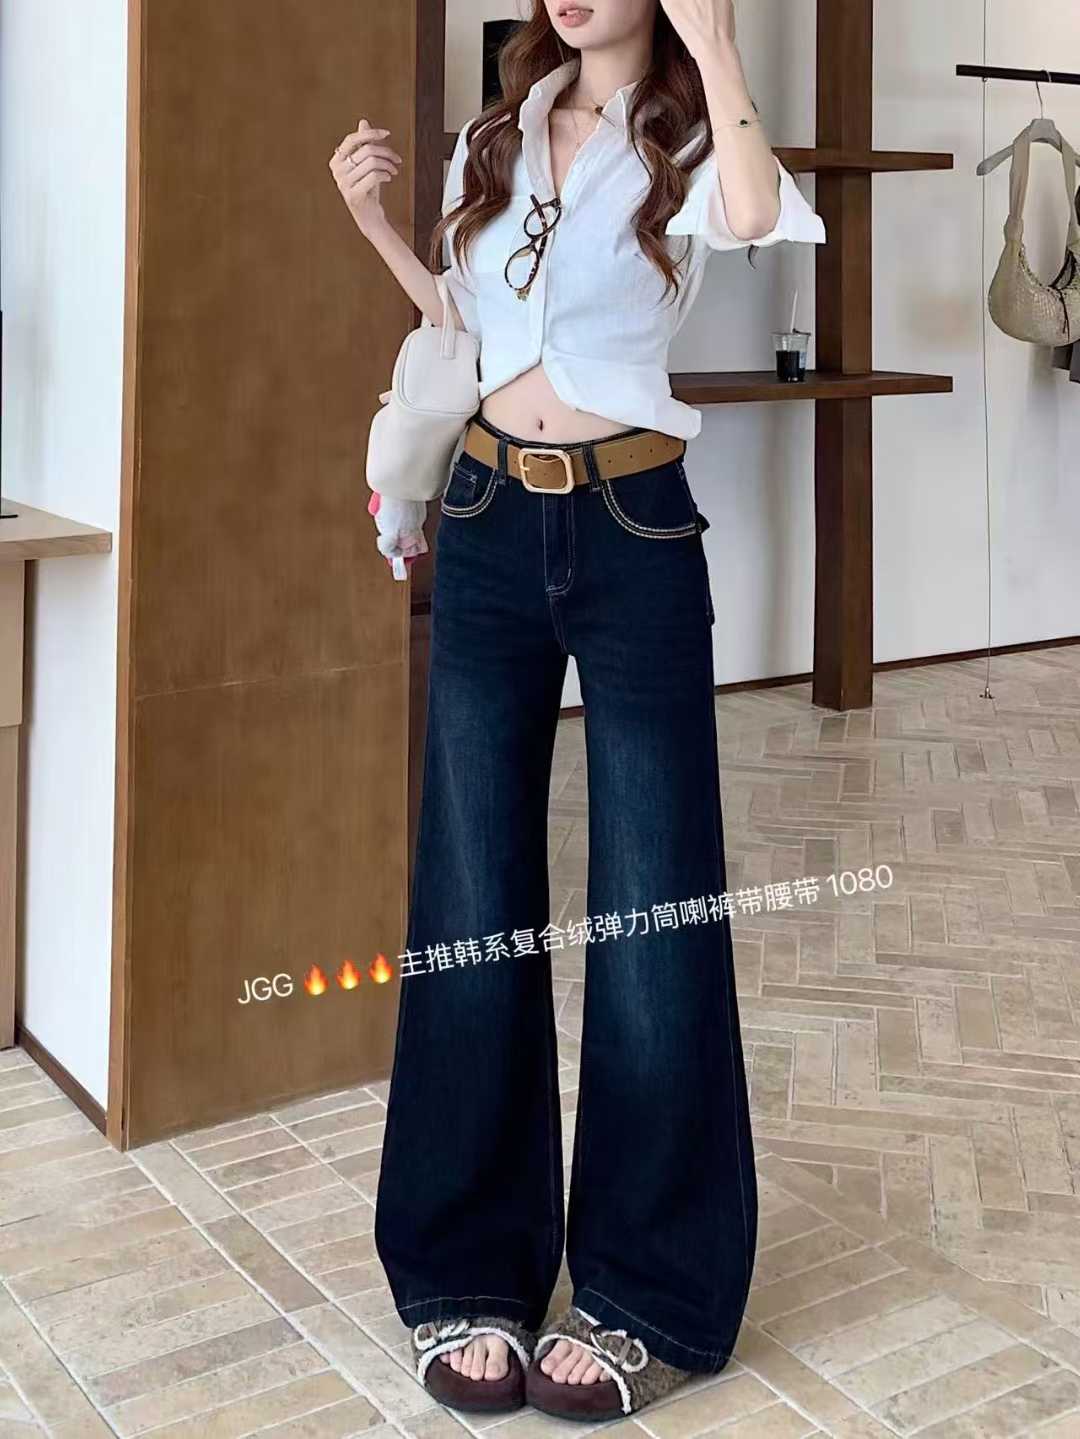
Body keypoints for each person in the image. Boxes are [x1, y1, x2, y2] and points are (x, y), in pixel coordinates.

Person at [329, 0, 825, 1421]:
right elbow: (462, 322)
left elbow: (755, 215)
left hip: (633, 525)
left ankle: (646, 1293)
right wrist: (375, 227)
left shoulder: (691, 138)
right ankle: (464, 1267)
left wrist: (717, 45)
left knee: (654, 900)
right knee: (470, 889)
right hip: (490, 515)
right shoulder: (495, 135)